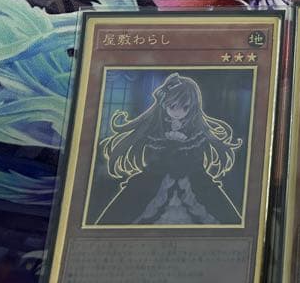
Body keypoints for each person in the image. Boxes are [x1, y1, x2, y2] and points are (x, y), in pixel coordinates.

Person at [95, 73, 243, 225]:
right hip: (153, 181)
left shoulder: (197, 132)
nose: (178, 112)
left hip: (194, 182)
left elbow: (198, 159)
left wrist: (184, 153)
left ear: (192, 107)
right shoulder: (155, 128)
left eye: (185, 107)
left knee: (224, 215)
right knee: (122, 212)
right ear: (164, 104)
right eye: (173, 106)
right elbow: (152, 157)